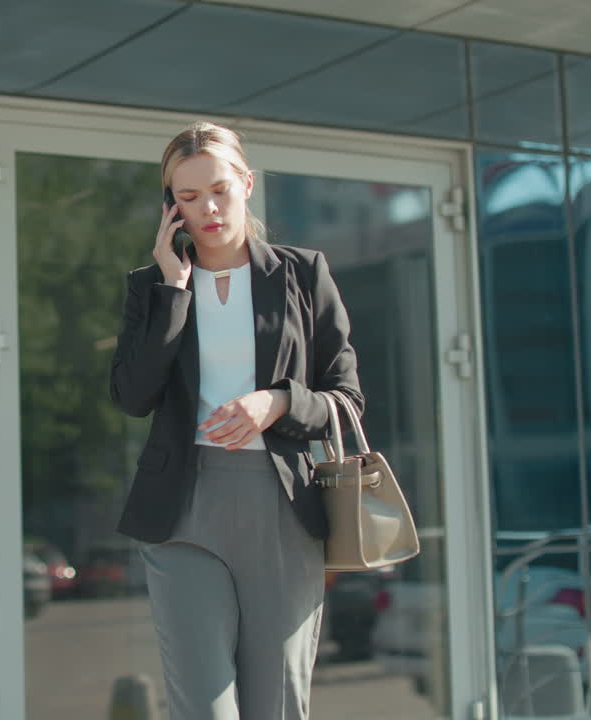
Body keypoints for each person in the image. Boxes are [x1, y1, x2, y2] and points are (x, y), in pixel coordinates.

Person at [109, 121, 364, 719]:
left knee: (275, 706)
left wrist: (275, 402)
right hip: (183, 511)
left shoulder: (303, 275)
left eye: (220, 189)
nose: (209, 209)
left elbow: (346, 400)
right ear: (170, 205)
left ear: (248, 184)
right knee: (204, 709)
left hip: (282, 512)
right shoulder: (152, 288)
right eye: (188, 197)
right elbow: (132, 396)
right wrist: (175, 289)